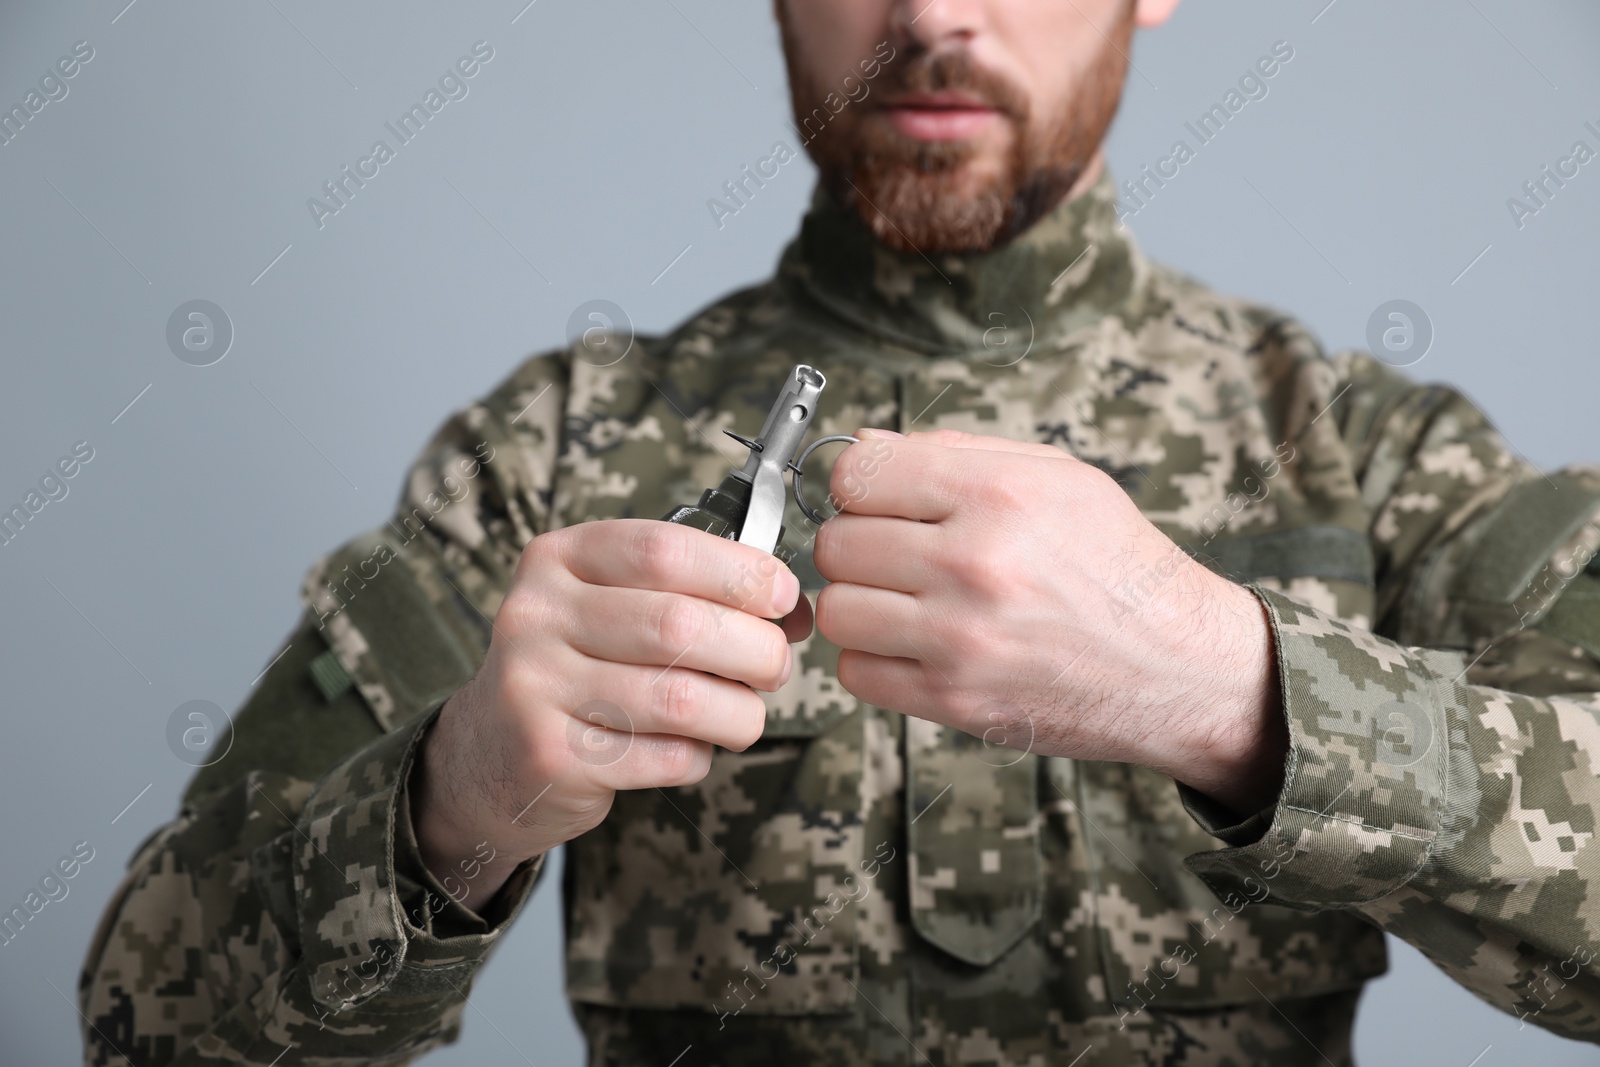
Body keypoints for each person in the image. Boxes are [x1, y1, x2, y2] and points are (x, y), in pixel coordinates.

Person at [80, 1, 1600, 1064]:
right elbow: (147, 1026)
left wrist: (1233, 689)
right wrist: (455, 799)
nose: (935, 11)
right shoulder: (542, 459)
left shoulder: (1374, 453)